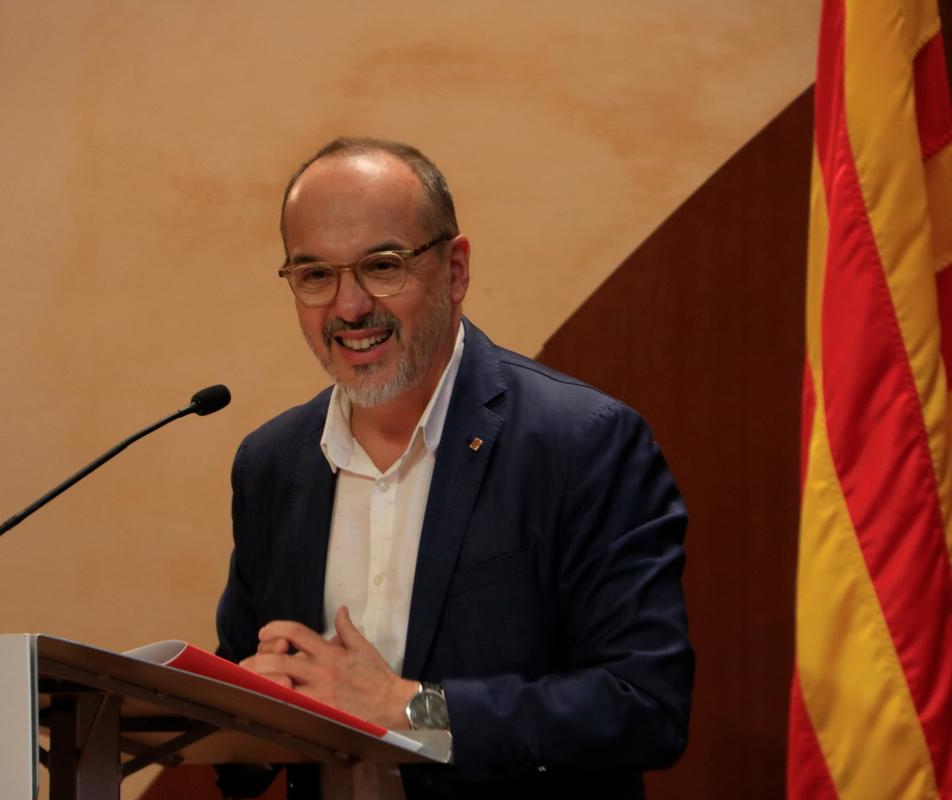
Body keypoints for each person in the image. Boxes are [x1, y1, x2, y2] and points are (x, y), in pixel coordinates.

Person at [216, 137, 692, 799]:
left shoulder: (581, 444)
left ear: (456, 270)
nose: (349, 308)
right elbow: (245, 738)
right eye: (315, 275)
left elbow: (644, 706)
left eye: (382, 267)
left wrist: (411, 711)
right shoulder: (270, 466)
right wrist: (249, 711)